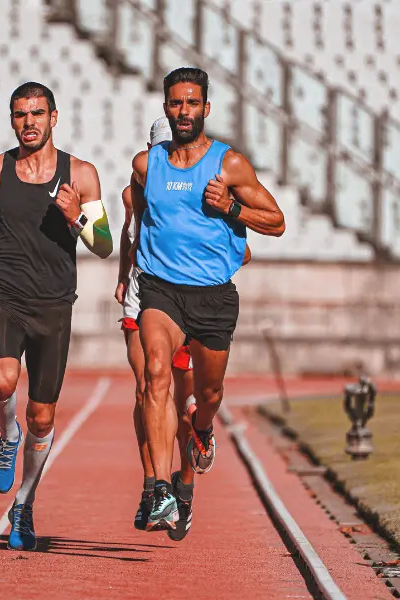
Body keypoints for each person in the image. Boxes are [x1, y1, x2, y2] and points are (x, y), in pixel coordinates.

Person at [0, 81, 113, 551]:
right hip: (4, 294)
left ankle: (23, 504)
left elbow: (104, 246)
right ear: (12, 120)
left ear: (54, 117)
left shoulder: (81, 175)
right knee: (2, 383)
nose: (29, 122)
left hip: (54, 303)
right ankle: (8, 434)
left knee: (42, 418)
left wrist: (77, 217)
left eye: (37, 113)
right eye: (21, 114)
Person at [129, 67, 285, 531]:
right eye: (176, 103)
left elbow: (276, 222)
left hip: (213, 296)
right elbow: (140, 222)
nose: (184, 111)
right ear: (165, 109)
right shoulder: (144, 165)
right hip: (161, 289)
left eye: (192, 103)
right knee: (155, 372)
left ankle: (200, 429)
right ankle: (158, 490)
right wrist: (128, 274)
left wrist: (230, 207)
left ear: (206, 109)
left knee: (207, 394)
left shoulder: (228, 164)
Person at [117, 117, 252, 540]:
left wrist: (206, 254)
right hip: (150, 291)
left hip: (196, 294)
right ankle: (153, 487)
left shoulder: (201, 184)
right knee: (149, 387)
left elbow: (244, 250)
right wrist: (125, 277)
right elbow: (130, 235)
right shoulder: (135, 188)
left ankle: (185, 487)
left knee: (190, 400)